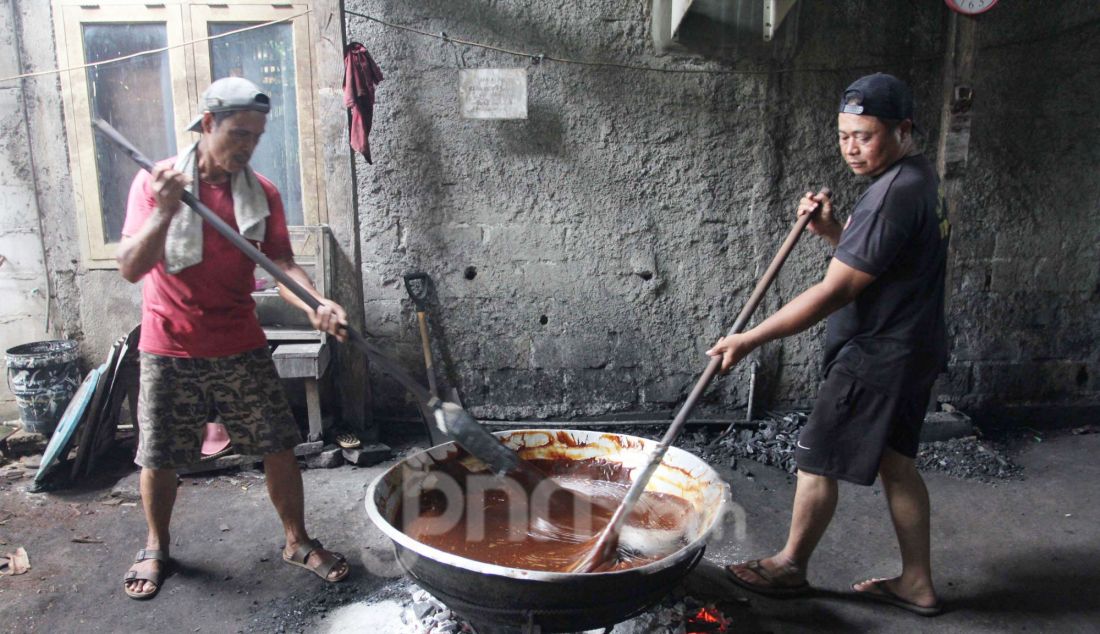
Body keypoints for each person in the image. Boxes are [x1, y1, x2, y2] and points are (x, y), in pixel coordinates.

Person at [707, 73, 949, 616]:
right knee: (898, 465)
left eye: (864, 135)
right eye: (843, 135)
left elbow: (835, 290)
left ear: (903, 129)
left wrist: (749, 338)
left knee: (816, 459)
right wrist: (837, 231)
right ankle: (917, 583)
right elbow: (882, 264)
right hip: (914, 347)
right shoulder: (918, 179)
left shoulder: (890, 195)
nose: (851, 148)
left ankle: (790, 566)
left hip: (877, 355)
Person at [117, 77, 351, 599]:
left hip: (240, 340)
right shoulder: (156, 184)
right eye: (238, 133)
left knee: (278, 445)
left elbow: (281, 263)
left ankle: (296, 540)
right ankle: (156, 546)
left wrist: (317, 303)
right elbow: (132, 267)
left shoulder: (260, 192)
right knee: (158, 455)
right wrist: (164, 210)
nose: (246, 146)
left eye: (256, 136)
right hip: (168, 344)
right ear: (206, 125)